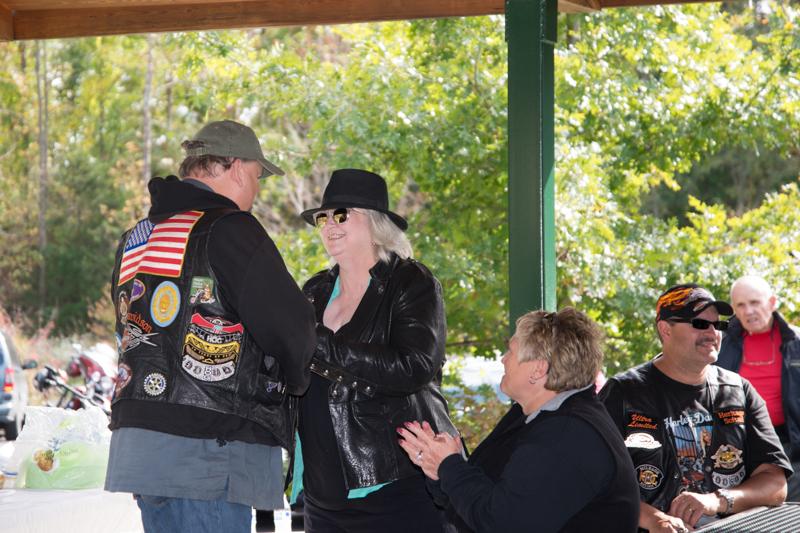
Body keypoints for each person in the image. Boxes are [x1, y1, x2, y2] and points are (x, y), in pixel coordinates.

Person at [105, 120, 316, 533]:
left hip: (141, 444)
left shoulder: (137, 236)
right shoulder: (229, 228)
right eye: (256, 175)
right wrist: (294, 379)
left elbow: (128, 326)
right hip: (208, 448)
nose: (256, 190)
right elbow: (292, 328)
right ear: (235, 168)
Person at [295, 168, 456, 532]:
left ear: (375, 223)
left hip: (392, 483)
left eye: (341, 215)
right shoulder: (315, 290)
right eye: (322, 217)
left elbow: (414, 366)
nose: (329, 225)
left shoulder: (411, 281)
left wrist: (320, 344)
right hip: (321, 490)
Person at [398, 308, 640, 533]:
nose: (503, 359)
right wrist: (439, 469)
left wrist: (450, 465)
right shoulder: (533, 415)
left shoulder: (567, 435)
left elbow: (503, 523)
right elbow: (477, 499)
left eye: (511, 351)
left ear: (538, 369)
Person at [600, 283, 792, 533]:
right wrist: (654, 519)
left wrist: (718, 500)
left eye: (718, 325)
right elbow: (593, 480)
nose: (712, 333)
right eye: (700, 324)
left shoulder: (738, 390)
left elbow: (775, 483)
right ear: (665, 329)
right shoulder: (623, 393)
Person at [718, 275, 800, 501]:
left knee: (791, 513)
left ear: (772, 302)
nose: (748, 311)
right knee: (746, 510)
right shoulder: (721, 344)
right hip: (737, 444)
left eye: (755, 303)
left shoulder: (796, 342)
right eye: (741, 305)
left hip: (790, 443)